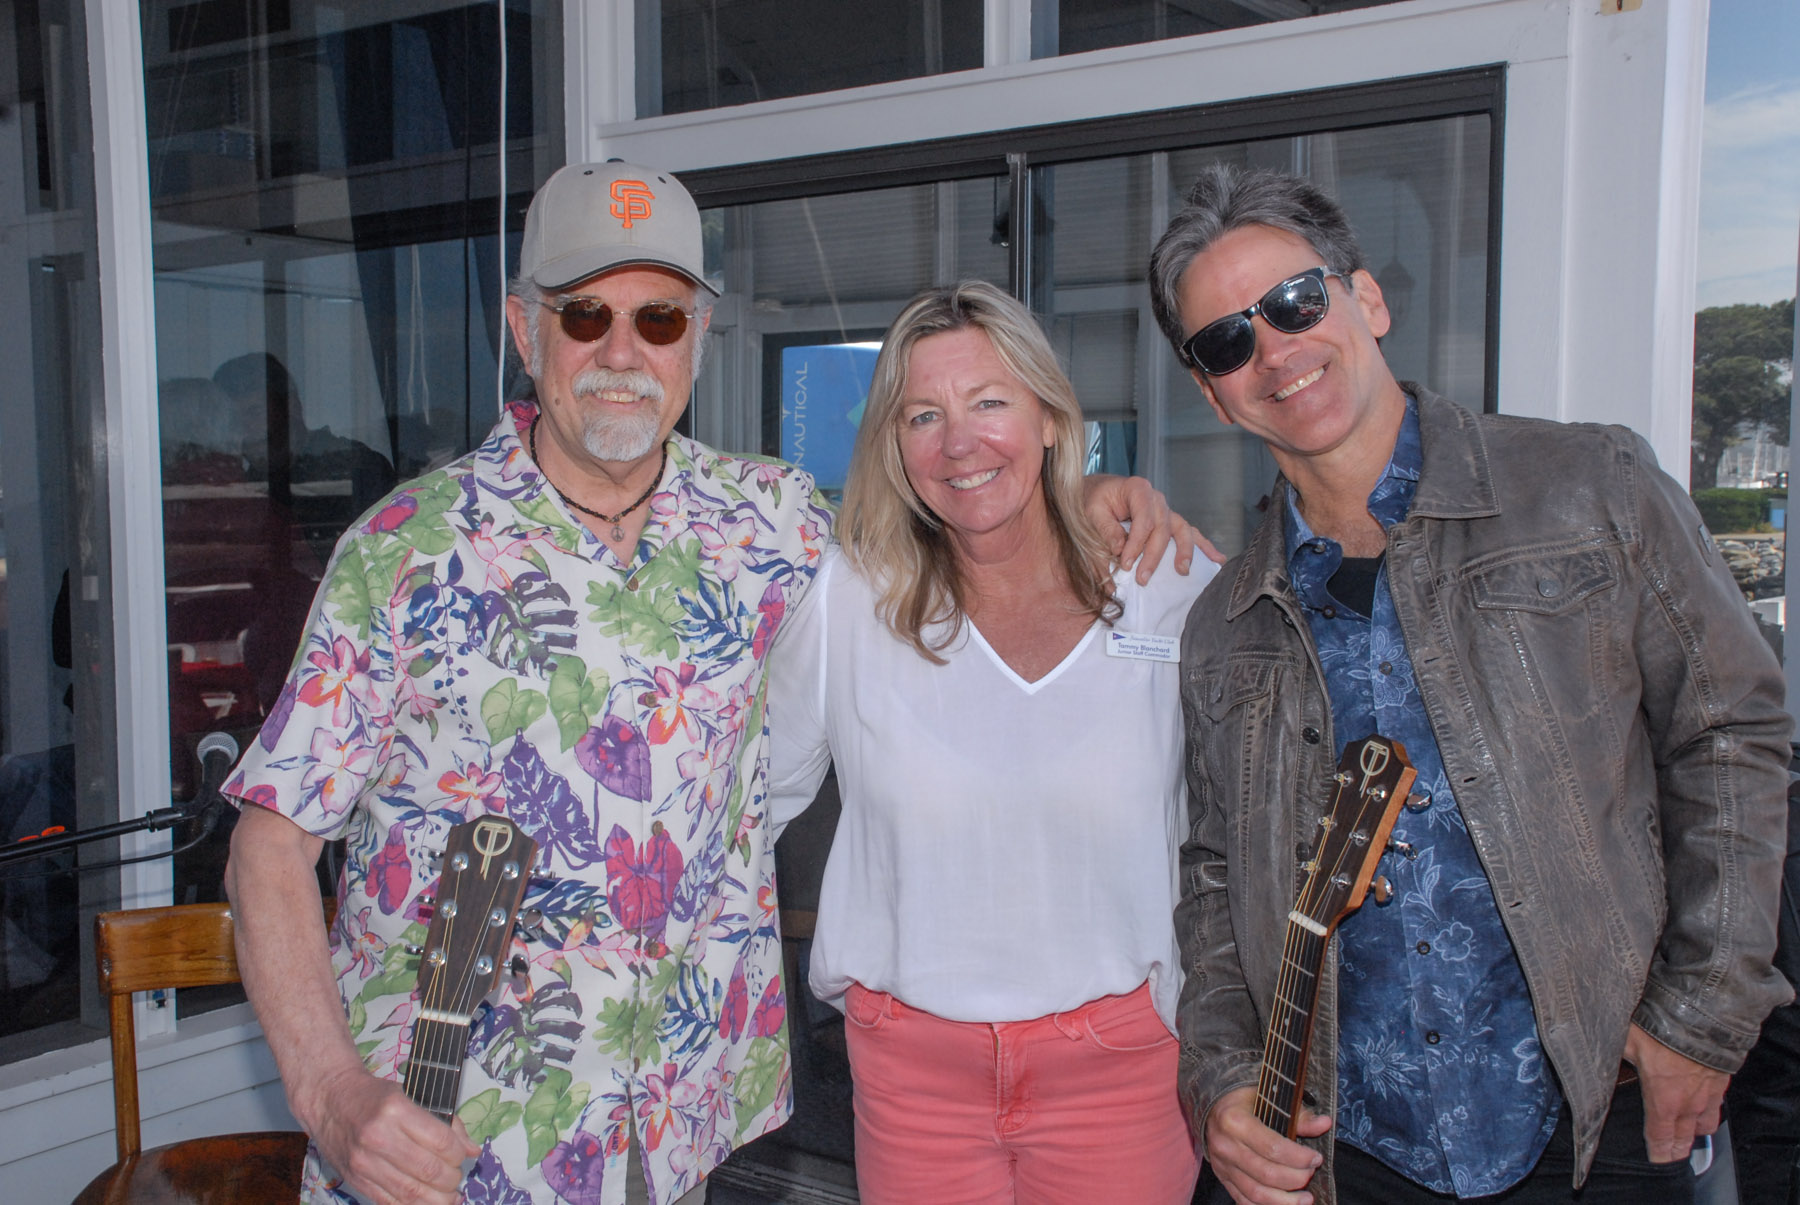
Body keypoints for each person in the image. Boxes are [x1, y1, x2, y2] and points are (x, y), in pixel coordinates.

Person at [222, 161, 1201, 1205]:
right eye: (585, 313)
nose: (621, 352)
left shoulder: (770, 523)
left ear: (698, 335)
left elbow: (955, 512)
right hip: (453, 1139)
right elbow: (268, 847)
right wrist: (331, 1093)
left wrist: (1080, 495)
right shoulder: (403, 551)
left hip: (675, 1133)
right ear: (522, 328)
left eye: (659, 318)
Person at [1150, 164, 1793, 1205]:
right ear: (1212, 394)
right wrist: (1223, 1077)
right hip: (1353, 1148)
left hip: (1604, 1117)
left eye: (1296, 301)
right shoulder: (1223, 625)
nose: (1273, 349)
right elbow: (1216, 879)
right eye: (1227, 340)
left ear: (1367, 299)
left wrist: (1703, 1015)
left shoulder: (1594, 487)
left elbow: (1731, 735)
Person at [765, 281, 1214, 1205]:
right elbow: (741, 804)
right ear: (894, 445)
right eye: (923, 415)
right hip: (911, 1079)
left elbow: (1248, 827)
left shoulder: (1166, 585)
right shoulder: (850, 601)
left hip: (1123, 1074)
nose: (959, 443)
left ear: (1051, 417)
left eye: (989, 402)